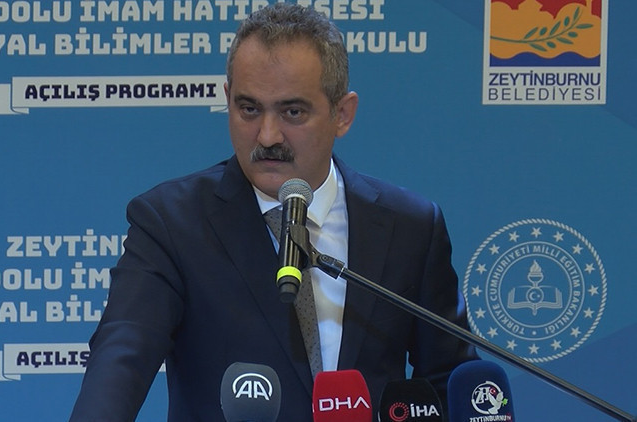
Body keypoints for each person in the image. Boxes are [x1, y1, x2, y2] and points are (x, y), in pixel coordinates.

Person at [70, 3, 477, 421]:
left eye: (292, 112)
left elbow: (452, 382)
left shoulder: (409, 227)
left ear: (342, 114)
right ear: (228, 100)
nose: (267, 136)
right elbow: (123, 353)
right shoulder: (171, 223)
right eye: (249, 109)